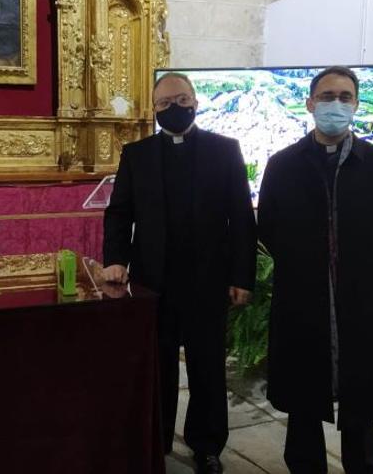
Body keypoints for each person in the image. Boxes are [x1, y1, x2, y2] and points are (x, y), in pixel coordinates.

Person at [103, 72, 257, 474]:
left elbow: (241, 218)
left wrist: (242, 276)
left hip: (208, 281)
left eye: (182, 99)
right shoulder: (136, 155)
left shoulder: (225, 151)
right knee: (159, 365)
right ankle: (156, 438)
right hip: (154, 281)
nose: (174, 108)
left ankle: (207, 445)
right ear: (153, 109)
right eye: (164, 103)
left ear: (196, 101)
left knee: (207, 367)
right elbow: (119, 212)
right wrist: (116, 259)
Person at [256, 66, 373, 473]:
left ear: (355, 104)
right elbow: (267, 229)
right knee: (304, 397)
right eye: (326, 96)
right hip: (302, 298)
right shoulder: (282, 166)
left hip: (358, 298)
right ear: (309, 103)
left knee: (360, 399)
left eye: (344, 96)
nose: (335, 104)